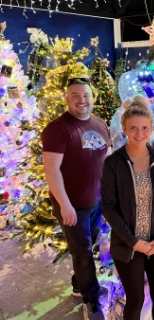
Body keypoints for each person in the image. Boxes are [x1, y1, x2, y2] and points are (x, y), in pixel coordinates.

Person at [42, 77, 111, 320]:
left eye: (86, 95)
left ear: (93, 97)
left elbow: (107, 158)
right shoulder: (58, 129)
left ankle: (79, 284)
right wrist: (65, 205)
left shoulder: (100, 124)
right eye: (75, 95)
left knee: (86, 247)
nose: (82, 100)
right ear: (67, 98)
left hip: (96, 201)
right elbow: (51, 170)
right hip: (73, 206)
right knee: (82, 253)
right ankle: (91, 301)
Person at [101, 96, 154, 320]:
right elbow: (108, 207)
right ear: (124, 129)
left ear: (151, 129)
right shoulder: (113, 164)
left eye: (144, 128)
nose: (139, 133)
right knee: (136, 299)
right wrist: (134, 242)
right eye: (133, 128)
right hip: (128, 246)